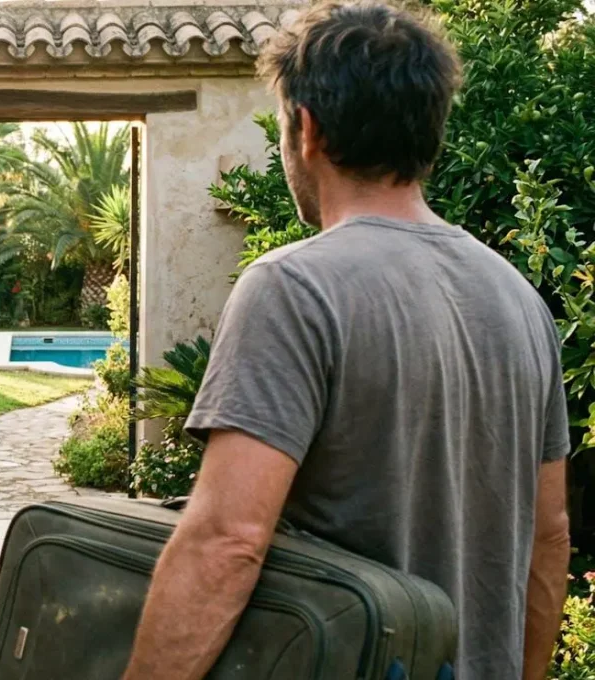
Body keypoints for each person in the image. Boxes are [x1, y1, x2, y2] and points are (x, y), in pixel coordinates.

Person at [121, 3, 571, 680]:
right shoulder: (521, 303)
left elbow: (228, 541)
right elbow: (550, 535)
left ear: (306, 129)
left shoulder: (293, 287)